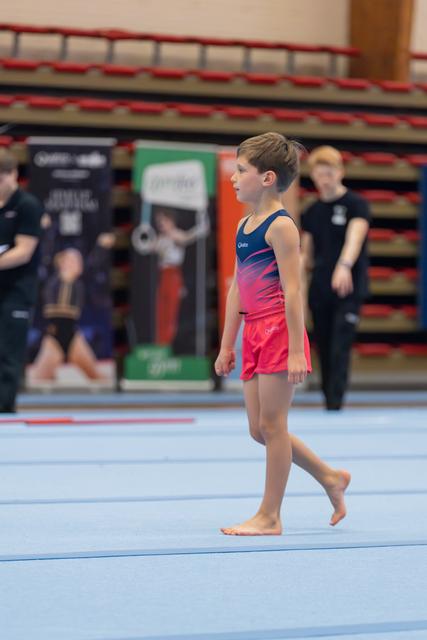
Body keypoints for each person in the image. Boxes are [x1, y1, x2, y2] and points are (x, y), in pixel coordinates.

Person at [215, 132, 351, 536]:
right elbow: (238, 287)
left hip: (277, 330)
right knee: (259, 429)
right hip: (253, 331)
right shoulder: (244, 225)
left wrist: (296, 349)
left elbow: (294, 289)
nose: (235, 178)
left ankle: (270, 516)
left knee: (274, 425)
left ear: (268, 177)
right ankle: (329, 476)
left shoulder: (281, 227)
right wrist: (227, 343)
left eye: (242, 171)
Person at [301, 146, 371, 411]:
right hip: (320, 288)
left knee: (340, 344)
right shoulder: (311, 212)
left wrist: (344, 265)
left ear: (339, 172)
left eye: (328, 173)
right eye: (319, 174)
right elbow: (306, 254)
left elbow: (355, 238)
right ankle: (328, 402)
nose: (324, 179)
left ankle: (336, 402)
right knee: (324, 346)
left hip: (347, 288)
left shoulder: (356, 205)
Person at [30, 235, 114, 382]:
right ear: (63, 262)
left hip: (73, 337)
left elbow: (92, 266)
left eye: (79, 260)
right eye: (73, 259)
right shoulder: (50, 279)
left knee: (97, 375)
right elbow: (46, 254)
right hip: (53, 338)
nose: (78, 263)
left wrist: (101, 246)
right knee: (39, 378)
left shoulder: (80, 284)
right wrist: (47, 230)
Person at [0, 148, 43, 413]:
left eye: (2, 178)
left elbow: (24, 251)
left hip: (16, 290)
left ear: (13, 175)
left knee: (8, 352)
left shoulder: (27, 206)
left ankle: (4, 410)